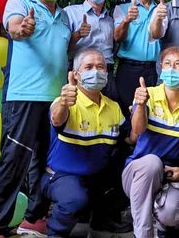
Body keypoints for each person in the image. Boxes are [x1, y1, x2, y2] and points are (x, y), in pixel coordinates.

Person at [0, 0, 71, 238]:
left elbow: (59, 47)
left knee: (46, 163)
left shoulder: (66, 16)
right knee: (14, 162)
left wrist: (79, 38)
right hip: (24, 96)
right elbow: (15, 29)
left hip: (55, 99)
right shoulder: (20, 4)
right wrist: (22, 29)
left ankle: (34, 219)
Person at [122, 46, 179, 238]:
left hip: (170, 174)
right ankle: (143, 233)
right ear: (160, 68)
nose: (172, 69)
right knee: (152, 162)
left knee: (174, 213)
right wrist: (140, 105)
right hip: (139, 171)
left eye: (178, 64)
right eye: (167, 64)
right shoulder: (147, 94)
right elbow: (137, 131)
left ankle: (159, 224)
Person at [44, 49, 125, 237]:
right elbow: (57, 119)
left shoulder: (112, 106)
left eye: (100, 67)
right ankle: (55, 233)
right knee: (74, 199)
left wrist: (139, 108)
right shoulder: (65, 101)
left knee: (130, 167)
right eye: (88, 67)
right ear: (75, 75)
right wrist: (64, 103)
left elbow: (131, 138)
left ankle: (99, 222)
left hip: (96, 176)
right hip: (62, 175)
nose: (95, 72)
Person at [114, 0, 162, 118]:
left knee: (152, 112)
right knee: (127, 110)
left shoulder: (161, 8)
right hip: (129, 69)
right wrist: (127, 20)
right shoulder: (122, 8)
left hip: (155, 69)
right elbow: (117, 37)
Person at [65, 0, 118, 101]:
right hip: (81, 74)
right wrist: (77, 35)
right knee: (79, 115)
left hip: (106, 75)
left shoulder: (111, 20)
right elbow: (61, 48)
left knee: (108, 114)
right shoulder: (70, 13)